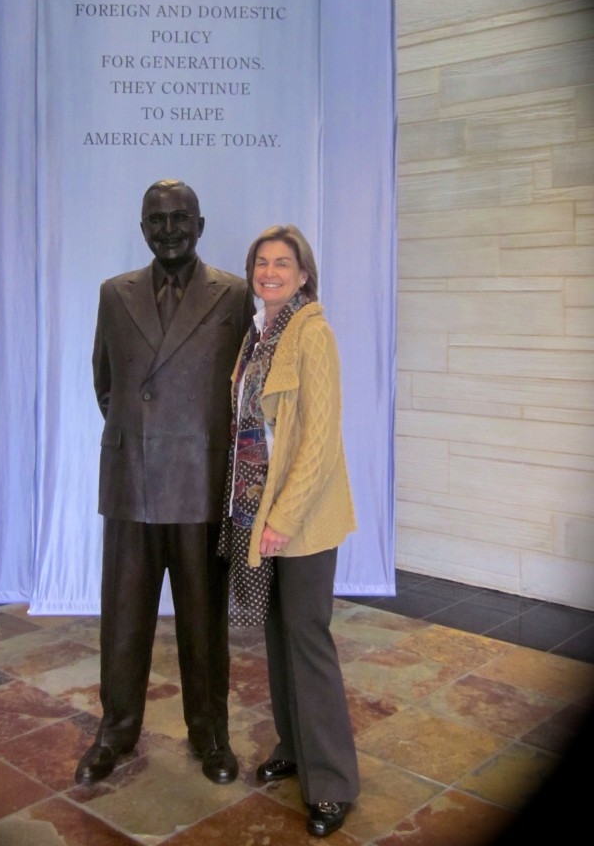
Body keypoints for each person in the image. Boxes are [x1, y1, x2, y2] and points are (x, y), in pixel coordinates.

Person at [75, 178, 254, 787]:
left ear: (200, 225)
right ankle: (115, 732)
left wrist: (191, 443)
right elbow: (107, 384)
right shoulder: (113, 293)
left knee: (204, 623)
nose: (169, 230)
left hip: (200, 483)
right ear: (142, 227)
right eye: (157, 220)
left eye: (181, 219)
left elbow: (240, 388)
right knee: (123, 619)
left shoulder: (233, 294)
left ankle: (211, 735)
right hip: (131, 480)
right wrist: (143, 438)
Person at [220, 224, 360, 838]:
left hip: (299, 517)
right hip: (256, 507)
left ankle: (332, 782)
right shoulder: (258, 336)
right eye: (261, 262)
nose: (270, 271)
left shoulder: (312, 334)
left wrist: (283, 519)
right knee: (277, 634)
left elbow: (319, 440)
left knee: (307, 637)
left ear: (304, 274)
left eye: (283, 263)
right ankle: (294, 746)